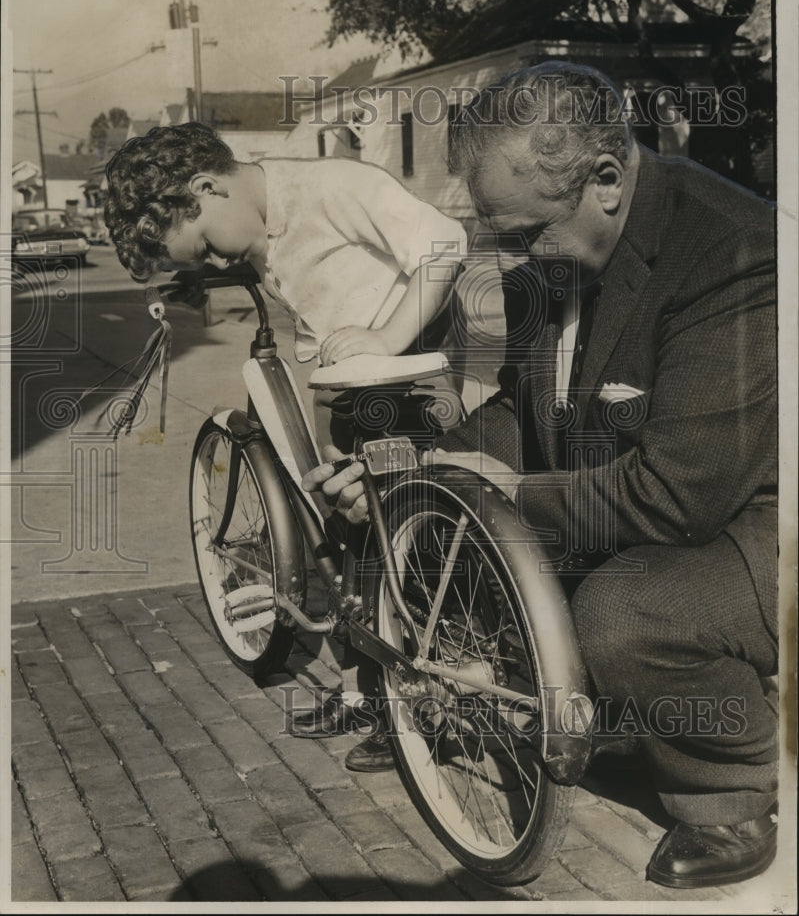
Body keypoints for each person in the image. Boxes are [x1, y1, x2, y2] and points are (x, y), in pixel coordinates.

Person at [302, 62, 779, 890]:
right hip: (673, 502)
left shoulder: (737, 256)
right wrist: (410, 466)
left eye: (522, 234)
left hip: (762, 522)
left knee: (625, 613)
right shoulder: (566, 248)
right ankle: (623, 706)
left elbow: (674, 498)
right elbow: (513, 414)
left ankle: (727, 784)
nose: (506, 257)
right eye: (495, 232)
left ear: (603, 179)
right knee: (446, 529)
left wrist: (503, 493)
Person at [104, 122, 467, 738]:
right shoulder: (249, 218)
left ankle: (418, 703)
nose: (224, 260)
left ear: (207, 187)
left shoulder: (330, 186)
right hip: (344, 386)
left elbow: (444, 241)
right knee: (348, 532)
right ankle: (366, 695)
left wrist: (385, 337)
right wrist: (195, 275)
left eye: (210, 248)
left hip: (405, 385)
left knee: (396, 540)